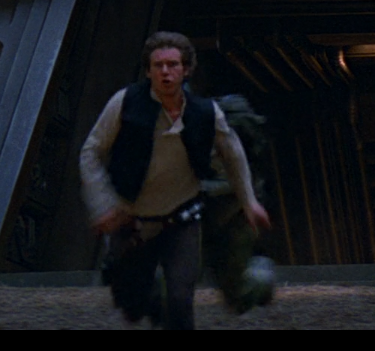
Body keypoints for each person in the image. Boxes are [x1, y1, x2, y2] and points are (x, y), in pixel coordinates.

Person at [80, 32, 271, 330]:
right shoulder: (127, 103)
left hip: (196, 217)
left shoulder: (205, 115)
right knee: (133, 299)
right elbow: (92, 151)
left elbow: (233, 156)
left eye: (173, 65)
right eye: (159, 66)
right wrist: (104, 204)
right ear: (148, 70)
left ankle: (262, 277)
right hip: (142, 217)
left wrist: (248, 202)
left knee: (201, 296)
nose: (166, 73)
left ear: (186, 69)